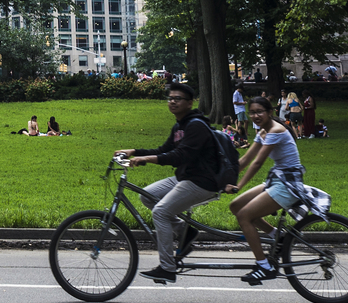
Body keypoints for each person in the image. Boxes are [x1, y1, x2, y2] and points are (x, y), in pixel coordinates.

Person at [116, 82, 227, 283]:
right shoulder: (179, 125)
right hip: (185, 177)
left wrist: (146, 160)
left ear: (190, 103)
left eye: (178, 99)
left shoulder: (196, 126)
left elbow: (180, 156)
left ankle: (167, 267)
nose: (173, 102)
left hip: (202, 181)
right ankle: (186, 231)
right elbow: (164, 150)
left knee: (160, 212)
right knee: (147, 195)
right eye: (170, 98)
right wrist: (135, 151)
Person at [228, 96, 315, 282]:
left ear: (270, 112)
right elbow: (244, 160)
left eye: (260, 112)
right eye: (252, 112)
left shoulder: (276, 130)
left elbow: (258, 162)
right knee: (236, 206)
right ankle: (278, 236)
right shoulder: (262, 133)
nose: (255, 115)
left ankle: (264, 266)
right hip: (278, 179)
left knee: (244, 216)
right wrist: (222, 178)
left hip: (288, 184)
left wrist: (239, 185)